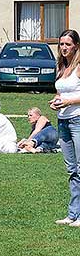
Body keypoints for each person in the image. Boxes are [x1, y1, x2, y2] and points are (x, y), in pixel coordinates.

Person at [50, 29, 80, 227]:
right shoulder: (62, 66)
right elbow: (62, 93)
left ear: (76, 46)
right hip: (63, 121)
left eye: (67, 44)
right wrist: (55, 101)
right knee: (71, 170)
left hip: (78, 119)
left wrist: (68, 101)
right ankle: (73, 214)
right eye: (61, 44)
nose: (63, 48)